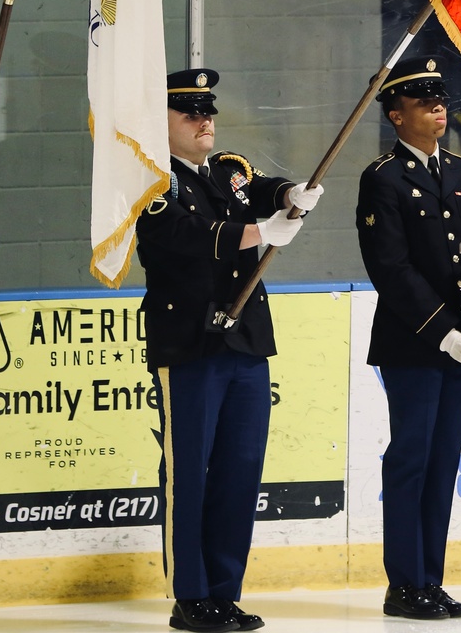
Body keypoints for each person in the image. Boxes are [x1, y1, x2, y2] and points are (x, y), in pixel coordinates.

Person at [134, 68, 323, 633]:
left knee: (240, 470)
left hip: (244, 342)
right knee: (190, 471)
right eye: (189, 112)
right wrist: (259, 233)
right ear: (159, 122)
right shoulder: (150, 181)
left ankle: (224, 590)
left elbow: (257, 187)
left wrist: (289, 195)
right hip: (190, 342)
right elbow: (186, 240)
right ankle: (190, 595)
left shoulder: (226, 169)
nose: (204, 120)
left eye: (207, 110)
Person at [355, 56, 461, 620]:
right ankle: (404, 583)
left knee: (443, 461)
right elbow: (390, 270)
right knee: (411, 457)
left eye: (439, 96)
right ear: (396, 115)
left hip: (460, 339)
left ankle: (430, 580)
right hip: (414, 343)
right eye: (421, 99)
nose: (437, 105)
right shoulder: (383, 178)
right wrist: (444, 333)